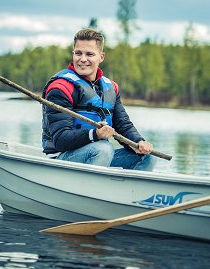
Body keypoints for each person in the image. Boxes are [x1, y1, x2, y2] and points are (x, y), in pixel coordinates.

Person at [41, 28, 156, 171]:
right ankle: (87, 192)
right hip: (61, 159)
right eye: (78, 53)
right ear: (73, 54)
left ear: (101, 57)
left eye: (89, 54)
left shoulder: (110, 88)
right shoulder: (60, 88)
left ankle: (126, 193)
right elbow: (60, 140)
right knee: (103, 148)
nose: (83, 59)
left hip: (97, 155)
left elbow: (123, 125)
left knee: (148, 156)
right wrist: (94, 134)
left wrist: (139, 142)